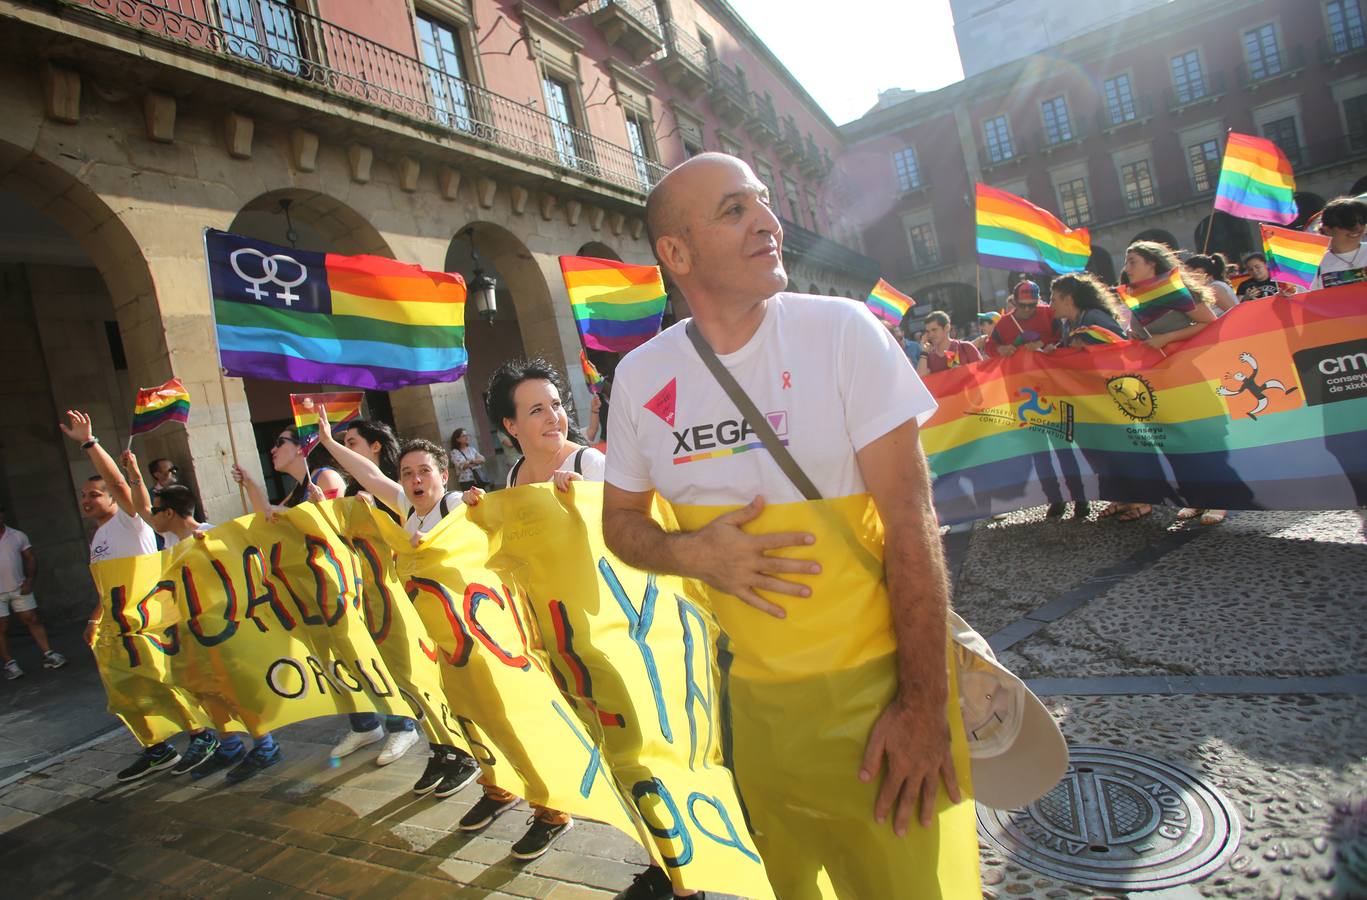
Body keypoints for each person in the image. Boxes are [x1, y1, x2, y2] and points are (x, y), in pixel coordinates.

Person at [602, 153, 963, 899]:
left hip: (877, 707)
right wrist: (692, 552)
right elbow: (619, 526)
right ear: (677, 253)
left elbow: (911, 521)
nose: (769, 222)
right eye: (735, 210)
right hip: (741, 722)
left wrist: (924, 706)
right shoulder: (640, 377)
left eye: (763, 202)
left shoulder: (843, 332)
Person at [457, 358, 600, 862]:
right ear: (511, 427)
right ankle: (552, 810)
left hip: (601, 630)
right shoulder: (514, 477)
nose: (553, 418)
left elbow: (622, 547)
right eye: (536, 410)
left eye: (557, 405)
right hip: (545, 629)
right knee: (549, 723)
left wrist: (583, 508)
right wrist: (481, 520)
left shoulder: (589, 466)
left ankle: (669, 871)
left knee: (630, 746)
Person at [313, 421, 484, 799]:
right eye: (407, 473)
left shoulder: (454, 504)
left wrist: (477, 506)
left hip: (461, 625)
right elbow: (369, 473)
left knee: (462, 694)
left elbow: (488, 523)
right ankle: (445, 750)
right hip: (421, 620)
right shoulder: (406, 505)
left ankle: (472, 759)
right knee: (426, 689)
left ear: (443, 474)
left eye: (424, 471)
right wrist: (327, 442)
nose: (415, 479)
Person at [59, 410, 178, 781]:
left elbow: (118, 481)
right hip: (118, 624)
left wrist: (89, 443)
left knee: (165, 679)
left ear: (114, 498)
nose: (87, 499)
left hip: (147, 620)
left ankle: (203, 737)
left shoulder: (130, 520)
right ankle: (157, 749)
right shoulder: (99, 537)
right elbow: (108, 588)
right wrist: (96, 618)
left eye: (95, 494)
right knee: (127, 690)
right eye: (83, 495)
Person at [321, 419, 421, 766]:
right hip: (365, 590)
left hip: (401, 590)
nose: (415, 480)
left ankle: (405, 725)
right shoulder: (356, 494)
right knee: (368, 657)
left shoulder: (401, 493)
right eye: (408, 473)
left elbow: (379, 485)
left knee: (400, 661)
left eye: (352, 442)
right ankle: (371, 724)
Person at [1105, 242, 1218, 523]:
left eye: (1133, 261)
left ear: (1151, 264)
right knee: (1181, 441)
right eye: (1126, 261)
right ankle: (1197, 499)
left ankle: (1221, 501)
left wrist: (1166, 339)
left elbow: (1209, 323)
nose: (1126, 268)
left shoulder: (1175, 290)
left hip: (1190, 373)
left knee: (1205, 437)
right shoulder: (1137, 298)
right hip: (1163, 377)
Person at [0, 504, 65, 678]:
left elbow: (30, 557)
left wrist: (29, 580)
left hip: (19, 586)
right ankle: (9, 663)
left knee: (32, 618)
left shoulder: (16, 535)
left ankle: (49, 654)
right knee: (1, 626)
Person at [984, 280, 1056, 357]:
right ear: (1015, 301)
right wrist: (1000, 349)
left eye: (1032, 305)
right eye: (1022, 305)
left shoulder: (1048, 313)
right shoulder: (1004, 322)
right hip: (1019, 368)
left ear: (1038, 301)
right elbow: (989, 346)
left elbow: (1062, 336)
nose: (1027, 309)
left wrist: (1044, 342)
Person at [1310, 196, 1367, 290]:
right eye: (1349, 223)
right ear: (1327, 229)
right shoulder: (1315, 265)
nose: (1358, 228)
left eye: (1362, 222)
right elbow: (1304, 300)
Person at [917, 311, 982, 375]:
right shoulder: (927, 357)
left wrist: (961, 372)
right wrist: (924, 352)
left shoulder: (966, 347)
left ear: (947, 328)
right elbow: (920, 380)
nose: (930, 335)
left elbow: (982, 374)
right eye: (928, 331)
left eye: (934, 330)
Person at [448, 427, 488, 492]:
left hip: (478, 478)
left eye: (467, 435)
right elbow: (462, 466)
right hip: (466, 481)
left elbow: (482, 459)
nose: (466, 437)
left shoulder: (471, 449)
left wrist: (470, 461)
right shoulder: (455, 452)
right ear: (457, 439)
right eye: (463, 436)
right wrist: (474, 462)